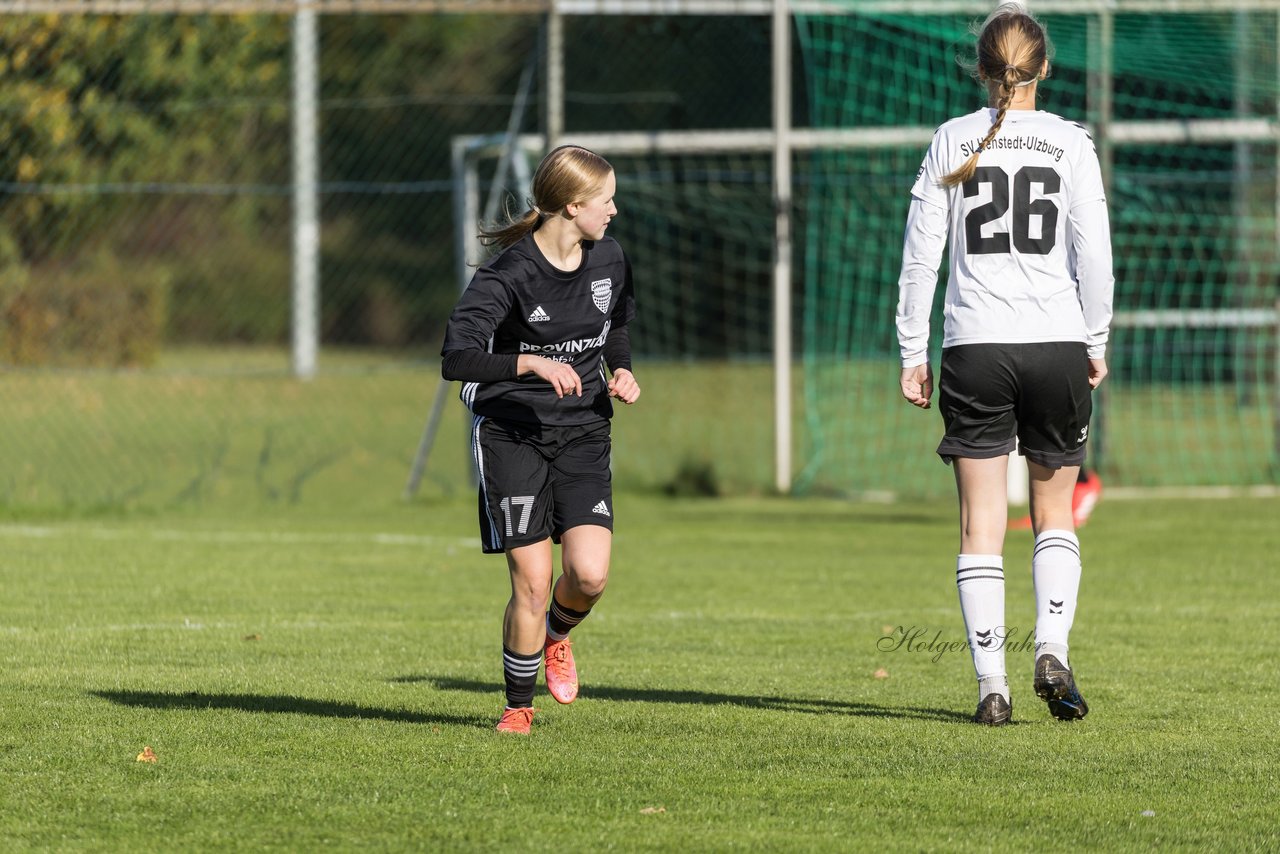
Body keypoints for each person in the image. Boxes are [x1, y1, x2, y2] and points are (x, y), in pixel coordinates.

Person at [895, 2, 1114, 725]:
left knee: (979, 524)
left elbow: (921, 254)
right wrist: (1096, 339)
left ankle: (993, 687)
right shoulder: (1070, 142)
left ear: (983, 68)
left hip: (974, 348)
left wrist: (911, 350)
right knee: (1054, 513)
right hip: (1055, 343)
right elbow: (1095, 255)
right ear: (1044, 68)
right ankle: (1051, 644)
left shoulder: (951, 138)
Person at [440, 145, 640, 735]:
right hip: (514, 435)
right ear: (573, 206)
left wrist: (621, 368)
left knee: (589, 576)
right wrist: (528, 363)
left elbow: (618, 323)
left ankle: (557, 635)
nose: (614, 211)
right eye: (606, 201)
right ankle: (518, 708)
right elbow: (456, 358)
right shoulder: (509, 275)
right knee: (530, 580)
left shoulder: (609, 258)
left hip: (583, 430)